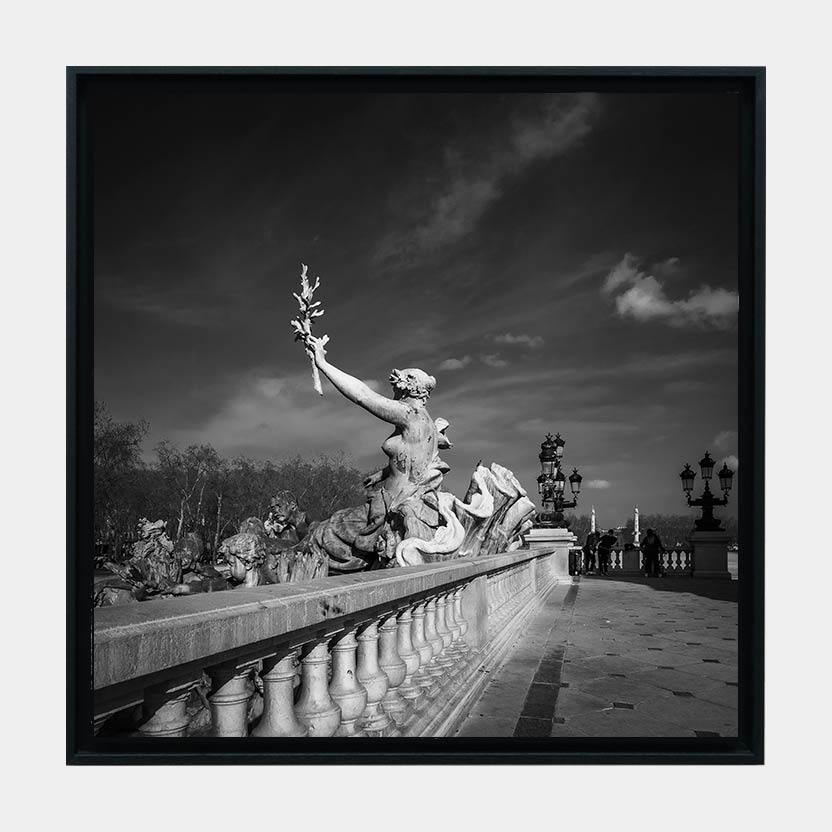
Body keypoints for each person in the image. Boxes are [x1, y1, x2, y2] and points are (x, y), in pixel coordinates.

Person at [298, 334, 450, 572]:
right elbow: (412, 462)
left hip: (391, 505)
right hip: (408, 499)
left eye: (396, 387)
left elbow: (363, 395)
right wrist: (381, 474)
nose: (392, 394)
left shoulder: (409, 414)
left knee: (326, 531)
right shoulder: (428, 423)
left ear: (409, 387)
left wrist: (323, 364)